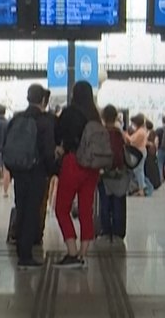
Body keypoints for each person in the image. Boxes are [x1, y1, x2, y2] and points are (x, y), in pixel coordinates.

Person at [54, 81, 103, 268]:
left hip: (74, 162)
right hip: (93, 167)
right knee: (85, 209)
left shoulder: (70, 113)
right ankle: (83, 253)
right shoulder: (95, 116)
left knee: (61, 208)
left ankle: (72, 251)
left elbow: (58, 133)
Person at [9, 84, 56, 270]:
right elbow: (48, 150)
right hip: (36, 171)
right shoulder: (45, 121)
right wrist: (52, 170)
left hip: (19, 170)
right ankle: (26, 255)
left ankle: (19, 247)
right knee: (32, 211)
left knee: (21, 207)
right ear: (44, 100)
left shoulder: (17, 118)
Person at [96, 104, 130, 242]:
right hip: (119, 173)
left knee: (105, 202)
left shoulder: (100, 133)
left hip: (104, 172)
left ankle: (106, 229)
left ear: (103, 117)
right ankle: (118, 231)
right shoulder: (120, 133)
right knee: (119, 202)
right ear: (116, 116)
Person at [129, 115, 152, 197]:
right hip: (141, 151)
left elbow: (133, 141)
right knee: (139, 170)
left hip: (139, 152)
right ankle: (141, 188)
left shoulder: (140, 132)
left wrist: (126, 136)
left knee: (138, 171)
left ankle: (142, 188)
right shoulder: (142, 130)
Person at [0, 104, 11, 197]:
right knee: (6, 170)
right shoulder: (8, 123)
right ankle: (5, 192)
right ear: (4, 112)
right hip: (7, 149)